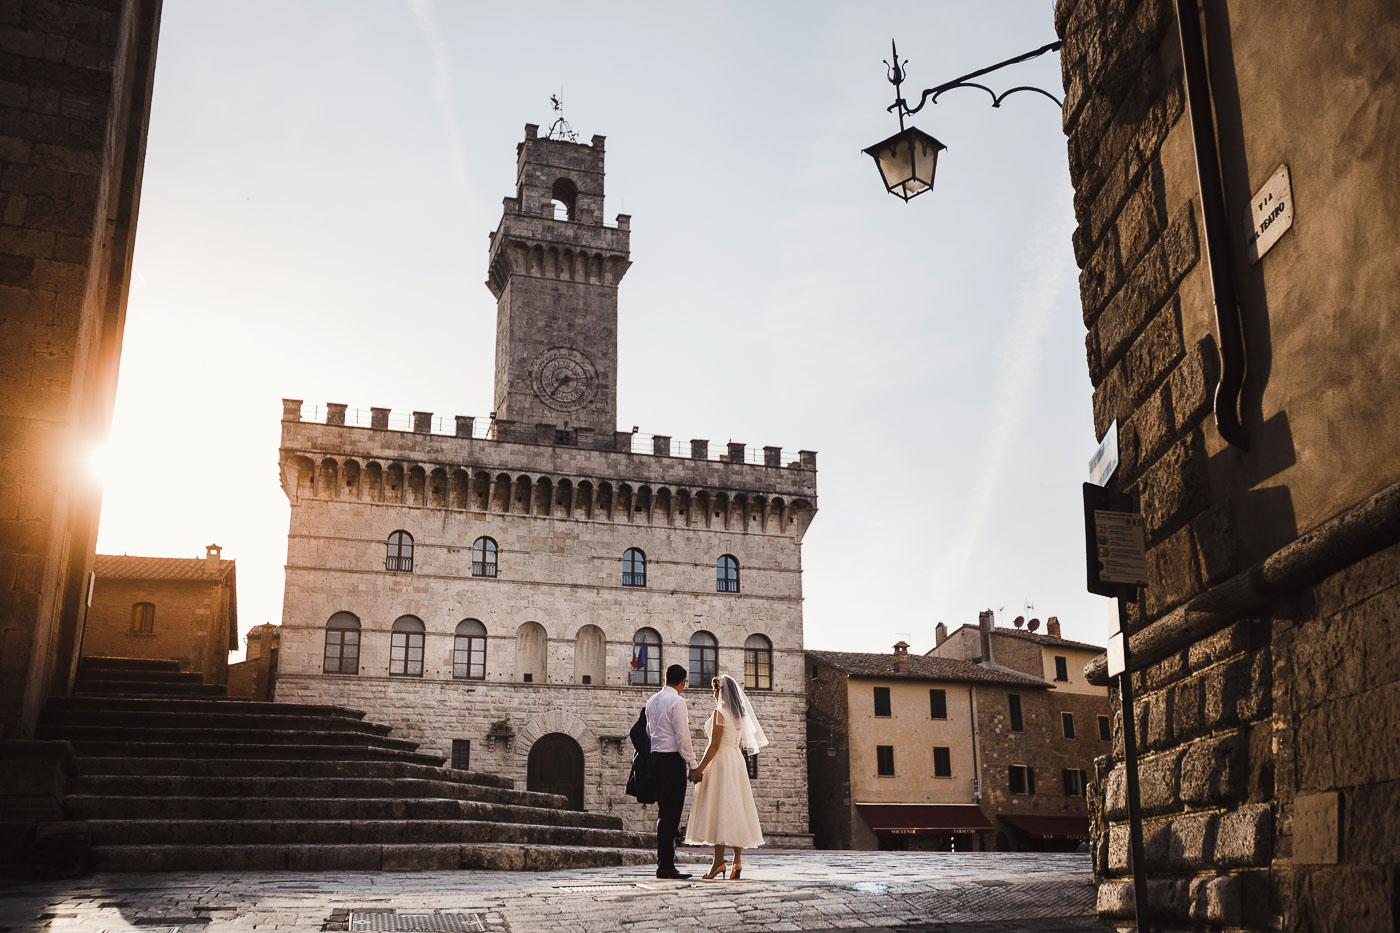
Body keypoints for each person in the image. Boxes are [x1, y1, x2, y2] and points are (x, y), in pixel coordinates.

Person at [685, 673, 767, 880]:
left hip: (721, 761)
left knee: (720, 808)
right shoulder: (740, 715)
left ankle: (717, 863)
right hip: (737, 762)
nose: (713, 694)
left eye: (714, 690)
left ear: (719, 691)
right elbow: (739, 744)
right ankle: (737, 863)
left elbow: (714, 745)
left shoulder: (719, 713)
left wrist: (699, 768)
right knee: (737, 808)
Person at [645, 663, 702, 879]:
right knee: (672, 814)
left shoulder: (652, 701)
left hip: (656, 759)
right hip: (671, 761)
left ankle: (664, 862)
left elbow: (649, 731)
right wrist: (693, 764)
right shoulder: (677, 701)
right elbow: (682, 736)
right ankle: (666, 865)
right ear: (682, 681)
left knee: (663, 813)